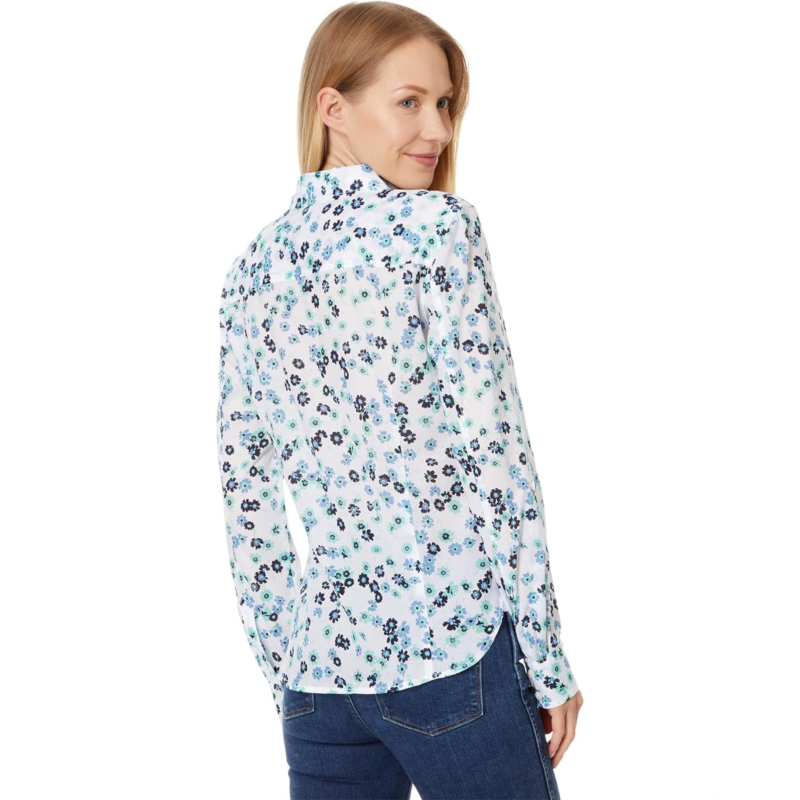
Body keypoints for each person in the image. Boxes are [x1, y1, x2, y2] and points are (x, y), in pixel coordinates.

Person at [216, 3, 583, 797]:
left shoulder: (252, 269)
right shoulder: (436, 229)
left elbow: (247, 497)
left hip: (319, 677)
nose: (438, 130)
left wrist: (286, 665)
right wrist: (548, 660)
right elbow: (498, 461)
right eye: (409, 101)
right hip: (451, 655)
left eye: (445, 104)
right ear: (333, 106)